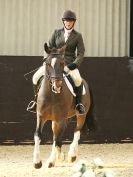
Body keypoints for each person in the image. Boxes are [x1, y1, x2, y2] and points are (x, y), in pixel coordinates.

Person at [27, 10, 85, 114]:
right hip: (54, 63)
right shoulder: (56, 32)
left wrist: (74, 65)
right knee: (35, 77)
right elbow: (48, 47)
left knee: (78, 80)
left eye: (71, 21)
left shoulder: (78, 36)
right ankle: (35, 101)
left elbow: (81, 53)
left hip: (69, 64)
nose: (68, 23)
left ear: (74, 22)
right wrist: (46, 60)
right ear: (63, 22)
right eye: (66, 21)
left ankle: (78, 104)